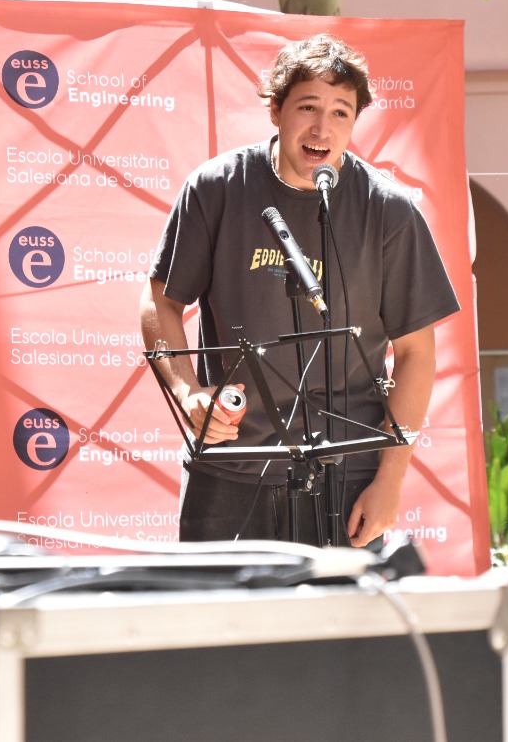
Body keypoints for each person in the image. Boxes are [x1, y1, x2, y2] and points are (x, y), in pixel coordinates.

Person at [140, 34, 460, 547]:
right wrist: (189, 393)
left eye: (340, 113)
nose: (322, 128)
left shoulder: (390, 212)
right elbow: (161, 300)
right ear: (275, 110)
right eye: (308, 107)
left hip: (347, 473)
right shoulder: (216, 187)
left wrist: (390, 480)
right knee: (217, 604)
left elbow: (416, 354)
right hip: (229, 469)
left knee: (341, 605)